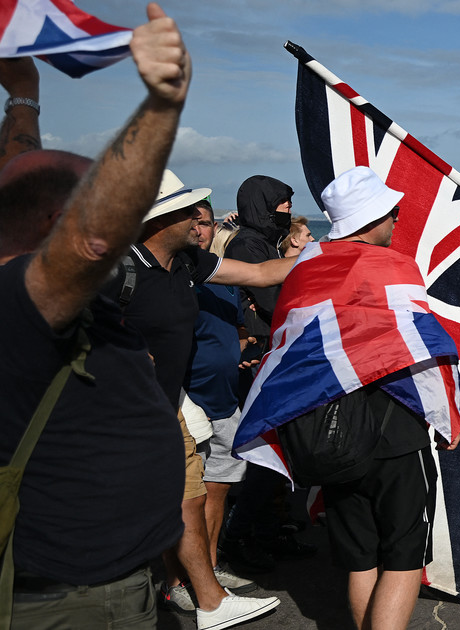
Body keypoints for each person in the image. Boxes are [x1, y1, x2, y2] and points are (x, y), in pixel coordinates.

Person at [0, 7, 276, 629]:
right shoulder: (27, 297)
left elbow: (23, 184)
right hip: (75, 595)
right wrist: (162, 105)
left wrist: (24, 98)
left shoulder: (16, 270)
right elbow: (90, 239)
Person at [109, 169, 292, 620]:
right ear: (156, 221)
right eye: (185, 211)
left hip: (168, 406)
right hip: (122, 414)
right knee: (143, 504)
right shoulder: (119, 269)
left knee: (189, 497)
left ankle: (205, 599)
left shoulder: (188, 263)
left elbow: (262, 272)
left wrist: (338, 254)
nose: (198, 218)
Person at [290, 165, 460, 629]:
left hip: (330, 432)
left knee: (360, 556)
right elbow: (426, 352)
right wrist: (447, 419)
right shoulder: (392, 267)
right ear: (376, 216)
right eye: (394, 213)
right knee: (403, 557)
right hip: (394, 429)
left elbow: (285, 352)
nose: (397, 221)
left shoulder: (306, 264)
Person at [221, 174, 313, 573]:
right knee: (265, 452)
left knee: (278, 450)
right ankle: (241, 537)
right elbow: (273, 299)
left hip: (266, 353)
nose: (287, 210)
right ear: (262, 205)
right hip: (258, 357)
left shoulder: (263, 242)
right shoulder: (249, 244)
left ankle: (268, 529)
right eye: (282, 204)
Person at [187, 201, 258, 597]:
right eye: (193, 223)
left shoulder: (225, 281)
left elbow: (238, 331)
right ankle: (179, 582)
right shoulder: (172, 278)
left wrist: (243, 351)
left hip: (225, 402)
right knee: (185, 498)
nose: (201, 230)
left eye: (207, 223)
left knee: (217, 491)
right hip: (188, 402)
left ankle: (209, 569)